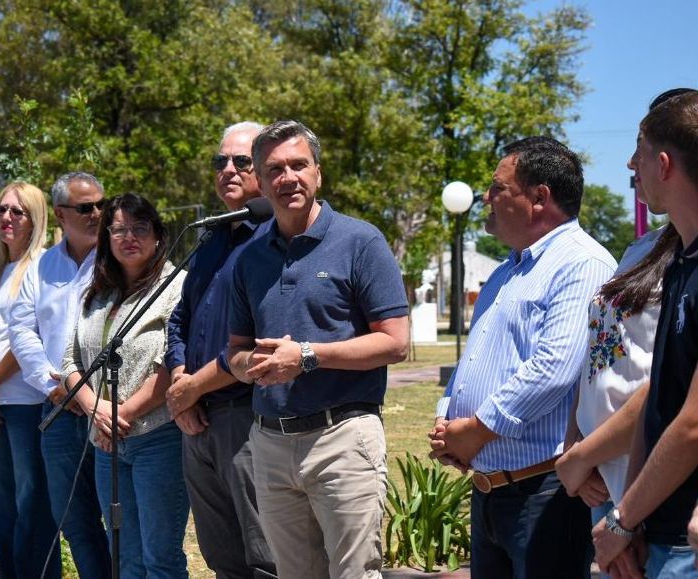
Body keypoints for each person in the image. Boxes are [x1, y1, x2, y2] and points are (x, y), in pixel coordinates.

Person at [226, 120, 410, 579]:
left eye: (298, 165)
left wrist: (307, 355)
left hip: (342, 438)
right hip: (269, 443)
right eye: (275, 169)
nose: (288, 177)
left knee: (353, 574)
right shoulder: (250, 258)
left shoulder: (360, 241)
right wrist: (254, 365)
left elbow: (395, 342)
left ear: (318, 173)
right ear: (262, 183)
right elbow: (235, 352)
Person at [429, 136, 617, 578]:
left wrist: (475, 431)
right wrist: (446, 423)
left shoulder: (582, 263)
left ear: (539, 198)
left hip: (544, 493)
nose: (486, 199)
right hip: (490, 490)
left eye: (498, 188)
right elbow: (474, 360)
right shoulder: (505, 271)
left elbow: (555, 367)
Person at [555, 90, 695, 577]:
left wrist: (620, 508)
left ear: (667, 160)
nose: (629, 162)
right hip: (615, 488)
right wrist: (577, 449)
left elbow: (667, 391)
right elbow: (601, 358)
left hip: (658, 501)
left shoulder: (686, 260)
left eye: (640, 146)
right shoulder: (645, 251)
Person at [164, 121, 277, 579]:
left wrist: (192, 388)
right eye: (220, 161)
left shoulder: (273, 238)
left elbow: (262, 341)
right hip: (197, 419)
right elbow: (179, 320)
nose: (228, 169)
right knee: (220, 555)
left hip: (245, 415)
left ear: (263, 169)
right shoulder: (211, 237)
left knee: (264, 555)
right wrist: (179, 384)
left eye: (241, 161)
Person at [62, 193, 189, 577]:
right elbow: (71, 362)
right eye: (118, 229)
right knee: (125, 558)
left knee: (160, 559)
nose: (128, 237)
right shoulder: (98, 293)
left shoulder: (178, 285)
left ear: (157, 234)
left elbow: (172, 362)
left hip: (159, 439)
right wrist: (95, 410)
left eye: (139, 228)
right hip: (105, 443)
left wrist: (120, 415)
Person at [8, 172, 110, 578]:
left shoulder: (119, 256)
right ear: (60, 214)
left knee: (123, 521)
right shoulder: (43, 267)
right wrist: (51, 384)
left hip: (111, 410)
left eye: (102, 204)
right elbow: (22, 330)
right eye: (85, 207)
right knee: (77, 521)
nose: (97, 214)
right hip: (59, 413)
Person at [0, 182, 60, 578]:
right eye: (0, 210)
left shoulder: (42, 266)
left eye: (16, 212)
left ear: (35, 217)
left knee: (32, 507)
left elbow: (29, 339)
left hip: (27, 403)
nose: (6, 218)